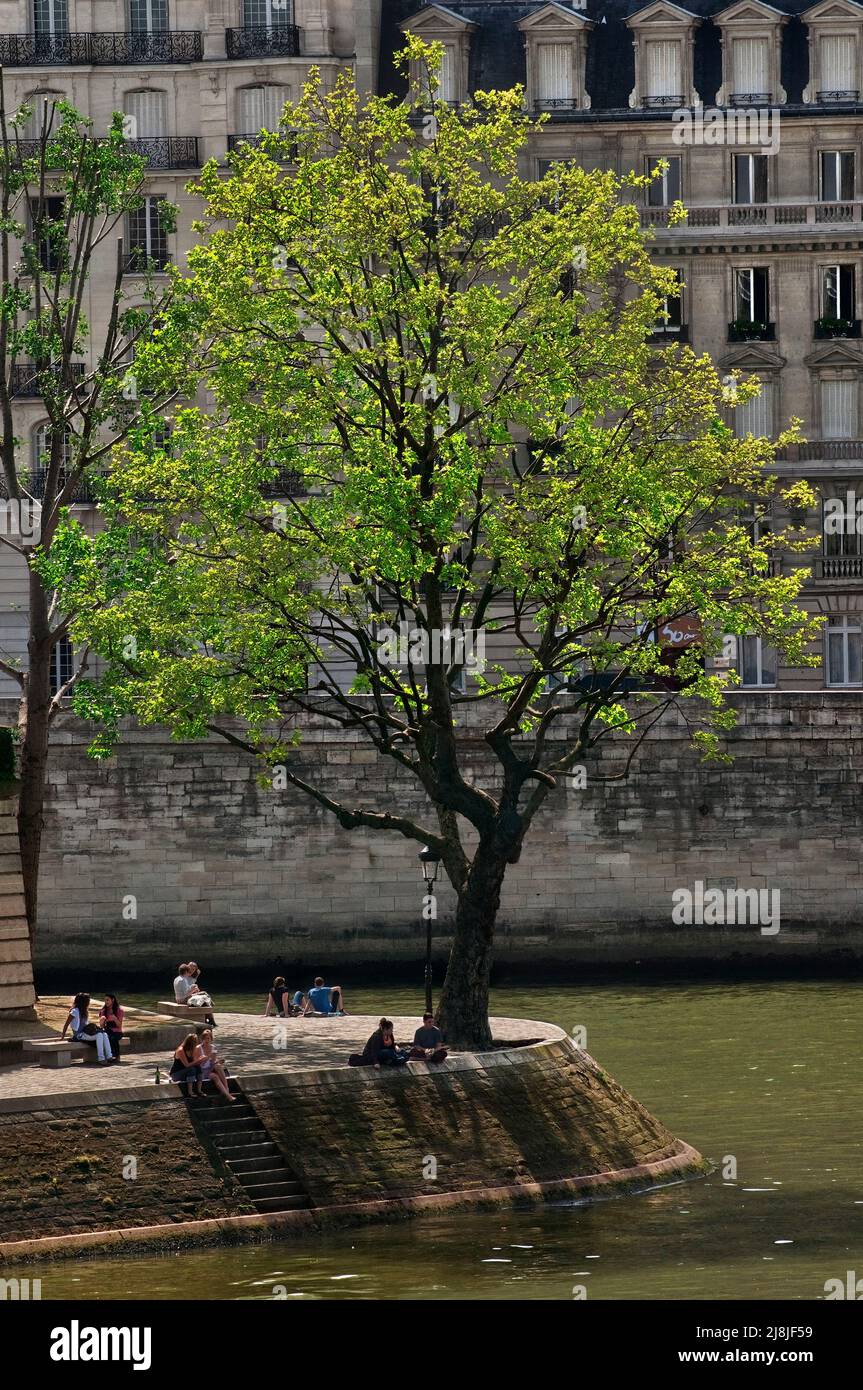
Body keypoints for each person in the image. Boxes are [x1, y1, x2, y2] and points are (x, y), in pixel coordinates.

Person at [60, 992, 113, 1064]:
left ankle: (109, 1056)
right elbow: (66, 1024)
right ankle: (101, 1059)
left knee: (104, 1034)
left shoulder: (85, 1011)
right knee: (99, 1035)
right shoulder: (74, 1011)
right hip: (79, 1035)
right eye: (88, 1001)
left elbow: (86, 1024)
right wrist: (62, 1037)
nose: (89, 1002)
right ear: (83, 1002)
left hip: (86, 1033)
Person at [194, 1028, 235, 1101]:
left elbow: (212, 1062)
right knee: (215, 1076)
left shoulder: (214, 1048)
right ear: (202, 1039)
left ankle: (226, 1089)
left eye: (208, 1038)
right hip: (201, 1070)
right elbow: (198, 1063)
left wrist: (218, 1061)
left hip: (210, 1068)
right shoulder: (198, 1048)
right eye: (205, 1039)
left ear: (211, 1039)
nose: (207, 1040)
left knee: (218, 1066)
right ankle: (228, 1096)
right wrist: (208, 1056)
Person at [99, 993, 125, 1061]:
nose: (106, 1002)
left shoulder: (119, 1010)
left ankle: (117, 1056)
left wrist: (115, 1019)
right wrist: (101, 1022)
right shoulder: (103, 1011)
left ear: (112, 1000)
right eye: (105, 1000)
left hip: (117, 1032)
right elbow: (102, 1027)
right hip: (107, 1031)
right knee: (104, 1036)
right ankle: (107, 1056)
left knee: (113, 1038)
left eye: (107, 1000)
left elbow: (119, 1026)